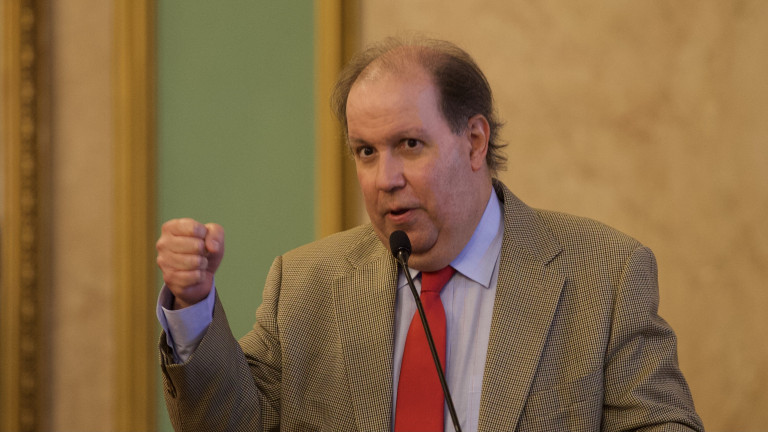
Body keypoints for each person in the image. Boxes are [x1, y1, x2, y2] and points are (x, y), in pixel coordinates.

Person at [156, 37, 704, 431]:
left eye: (410, 145)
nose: (385, 179)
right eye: (366, 152)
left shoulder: (605, 274)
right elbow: (230, 423)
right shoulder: (306, 284)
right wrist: (193, 306)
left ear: (474, 142)